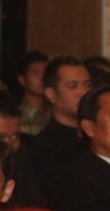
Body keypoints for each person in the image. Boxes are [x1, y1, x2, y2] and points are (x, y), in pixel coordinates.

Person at [34, 56, 92, 195]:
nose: (83, 92)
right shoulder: (45, 147)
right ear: (51, 94)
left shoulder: (97, 136)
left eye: (88, 85)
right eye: (73, 86)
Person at [15, 50, 50, 137]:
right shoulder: (16, 115)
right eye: (36, 74)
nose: (42, 79)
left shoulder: (57, 112)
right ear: (22, 80)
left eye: (46, 74)